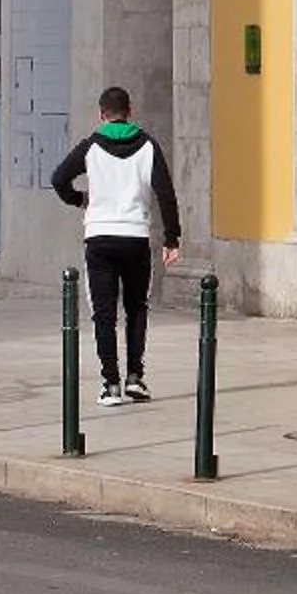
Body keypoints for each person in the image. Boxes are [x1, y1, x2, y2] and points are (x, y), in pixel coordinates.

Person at [51, 86, 182, 405]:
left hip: (100, 238)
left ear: (101, 114)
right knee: (136, 308)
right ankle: (135, 378)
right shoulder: (148, 146)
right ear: (130, 112)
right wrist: (171, 238)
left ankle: (110, 384)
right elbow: (165, 193)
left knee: (104, 313)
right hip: (135, 237)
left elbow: (58, 179)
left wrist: (79, 199)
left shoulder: (90, 146)